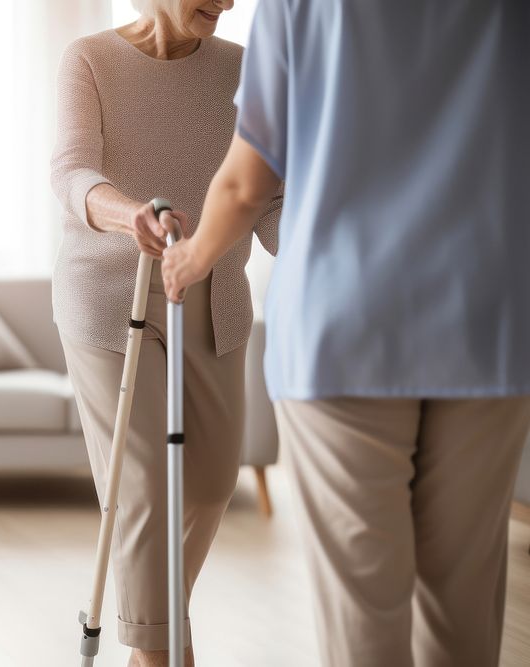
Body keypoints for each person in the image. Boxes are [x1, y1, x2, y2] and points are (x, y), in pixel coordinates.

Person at [160, 1, 530, 664]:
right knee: (465, 605)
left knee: (364, 608)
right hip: (488, 321)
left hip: (343, 325)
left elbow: (247, 182)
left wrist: (190, 257)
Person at [50, 1, 282, 664]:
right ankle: (160, 651)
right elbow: (70, 172)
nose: (231, 2)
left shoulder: (244, 69)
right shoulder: (90, 59)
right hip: (109, 298)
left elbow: (267, 203)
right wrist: (131, 217)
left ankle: (157, 630)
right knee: (146, 485)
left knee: (210, 484)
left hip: (214, 298)